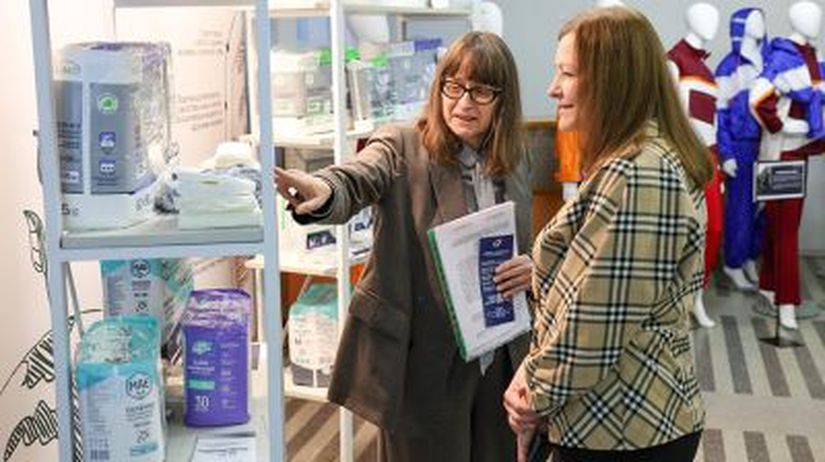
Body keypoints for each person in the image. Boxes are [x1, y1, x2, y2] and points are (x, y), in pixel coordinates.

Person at [275, 31, 533, 461]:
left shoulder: (515, 158)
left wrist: (532, 268)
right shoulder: (402, 146)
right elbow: (358, 177)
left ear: (503, 99)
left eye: (481, 91)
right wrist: (323, 190)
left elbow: (527, 241)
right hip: (426, 361)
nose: (463, 102)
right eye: (454, 86)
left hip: (501, 355)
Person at [503, 7, 712, 462]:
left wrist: (532, 392)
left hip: (624, 426)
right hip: (617, 415)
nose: (553, 88)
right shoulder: (632, 160)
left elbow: (597, 322)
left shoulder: (639, 173)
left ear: (611, 80)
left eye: (567, 73)